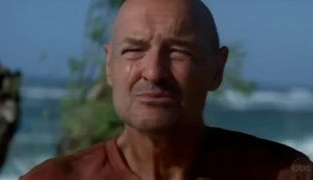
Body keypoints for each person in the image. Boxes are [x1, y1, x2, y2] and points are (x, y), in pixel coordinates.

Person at [21, 0, 313, 179]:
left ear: (217, 69)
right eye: (134, 51)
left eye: (179, 52)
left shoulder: (282, 173)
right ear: (109, 66)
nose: (153, 71)